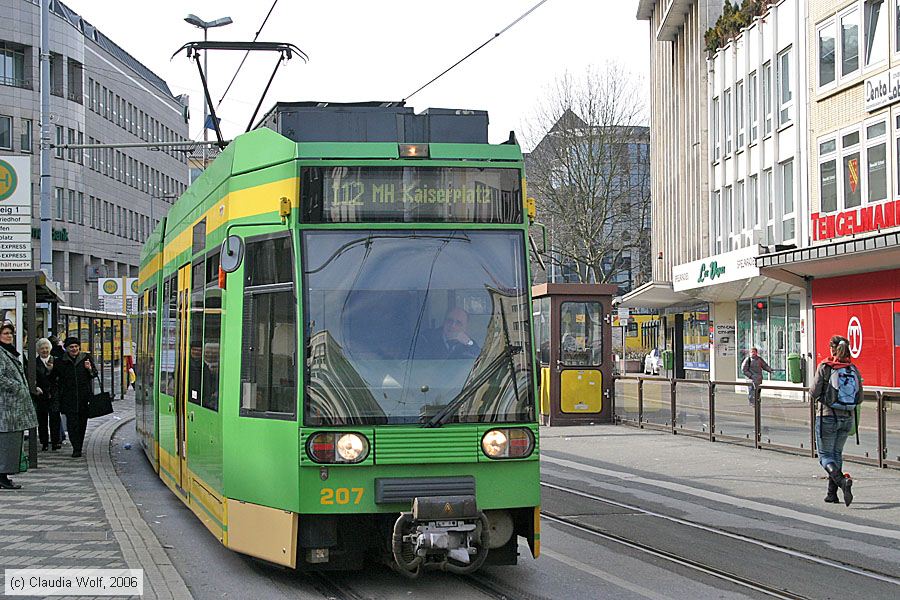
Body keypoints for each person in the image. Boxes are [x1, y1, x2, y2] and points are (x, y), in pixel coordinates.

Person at [810, 335, 860, 506]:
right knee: (836, 454)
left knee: (824, 456)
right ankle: (832, 494)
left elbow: (814, 392)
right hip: (847, 418)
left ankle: (842, 482)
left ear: (832, 349)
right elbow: (859, 398)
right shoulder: (852, 368)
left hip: (827, 416)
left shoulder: (825, 367)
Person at [0, 323, 38, 489]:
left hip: (13, 408)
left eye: (10, 333)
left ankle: (4, 475)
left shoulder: (9, 352)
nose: (9, 336)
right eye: (5, 333)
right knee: (7, 442)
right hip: (6, 407)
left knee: (12, 441)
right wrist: (17, 386)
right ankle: (2, 475)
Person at [52, 337, 98, 458]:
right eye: (71, 347)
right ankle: (76, 448)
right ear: (66, 349)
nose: (74, 349)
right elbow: (54, 378)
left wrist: (89, 369)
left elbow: (94, 374)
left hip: (84, 397)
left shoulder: (86, 358)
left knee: (82, 423)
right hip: (68, 398)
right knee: (72, 424)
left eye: (76, 346)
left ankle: (79, 445)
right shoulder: (61, 361)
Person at [35, 338, 62, 451]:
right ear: (38, 350)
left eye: (46, 348)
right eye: (42, 348)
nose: (44, 350)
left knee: (55, 418)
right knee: (42, 420)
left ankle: (56, 441)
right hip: (41, 394)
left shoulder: (56, 361)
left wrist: (52, 370)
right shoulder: (35, 363)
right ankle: (44, 442)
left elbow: (60, 377)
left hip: (54, 393)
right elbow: (32, 377)